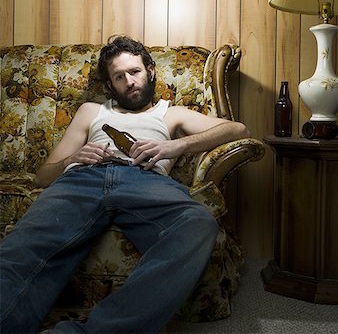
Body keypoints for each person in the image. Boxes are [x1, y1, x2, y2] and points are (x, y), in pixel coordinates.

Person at [0, 36, 250, 334]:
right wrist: (73, 159)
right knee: (21, 250)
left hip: (144, 180)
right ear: (110, 84)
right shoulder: (91, 111)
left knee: (198, 224)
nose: (129, 82)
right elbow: (43, 176)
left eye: (135, 72)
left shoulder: (170, 114)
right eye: (119, 77)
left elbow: (238, 129)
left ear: (151, 71)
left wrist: (176, 146)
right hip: (83, 178)